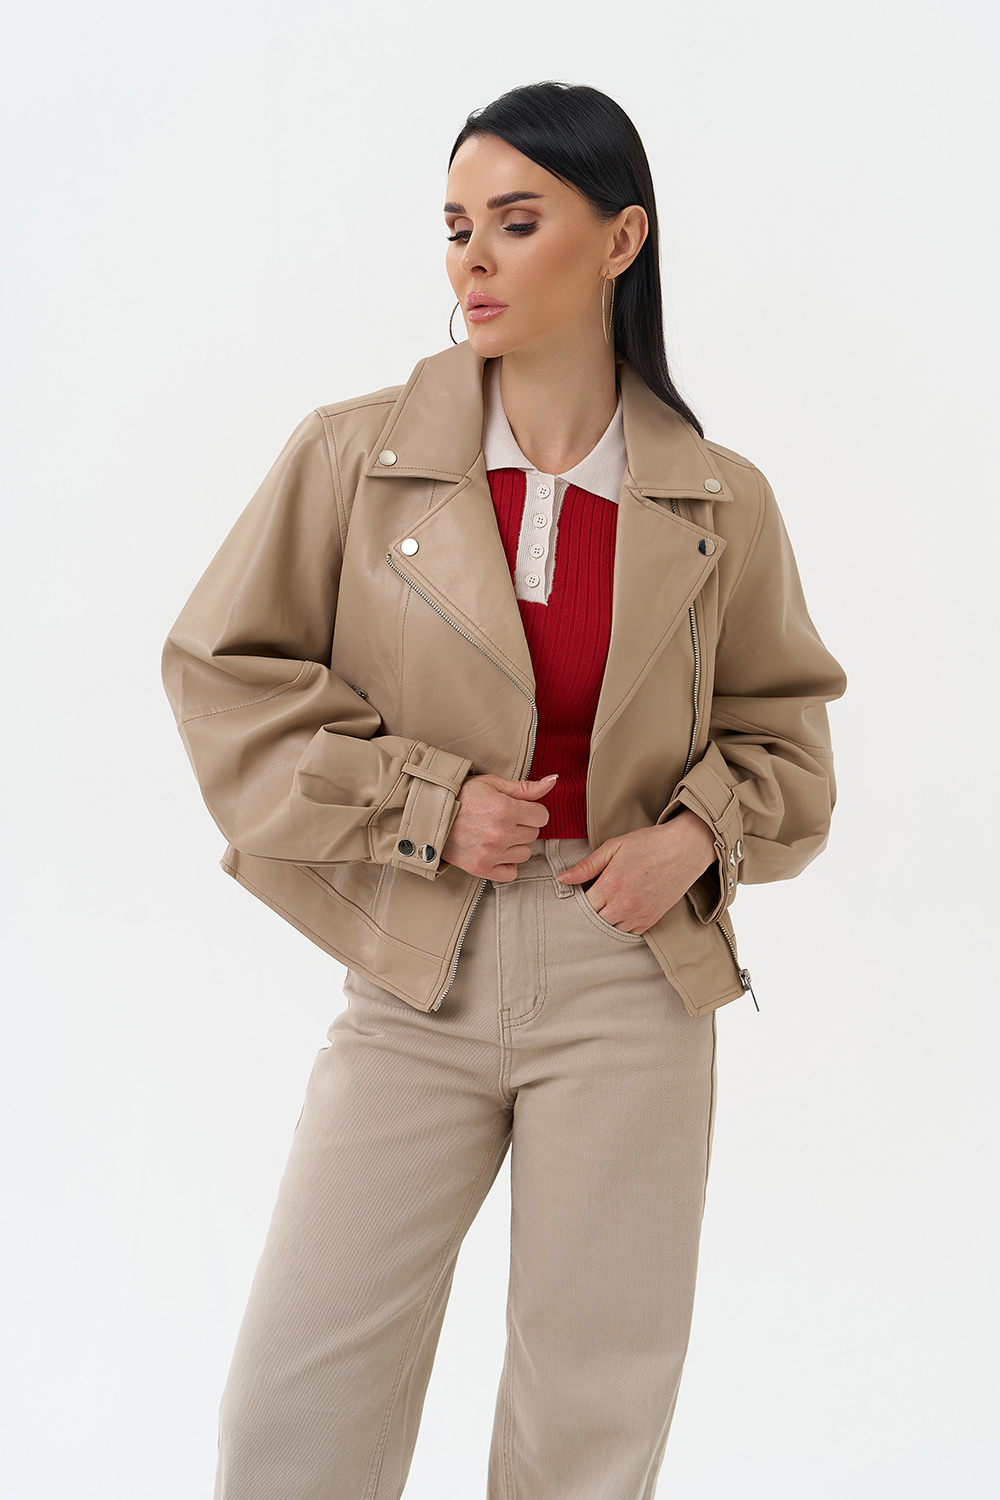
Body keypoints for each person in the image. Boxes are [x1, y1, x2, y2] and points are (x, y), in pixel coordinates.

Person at [162, 80, 847, 1500]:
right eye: (456, 225)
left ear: (620, 242)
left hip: (629, 977)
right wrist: (423, 802)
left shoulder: (722, 500)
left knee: (587, 1423)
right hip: (417, 969)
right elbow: (224, 677)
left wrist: (690, 839)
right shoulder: (354, 459)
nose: (471, 258)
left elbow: (787, 741)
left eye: (516, 222)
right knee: (293, 1406)